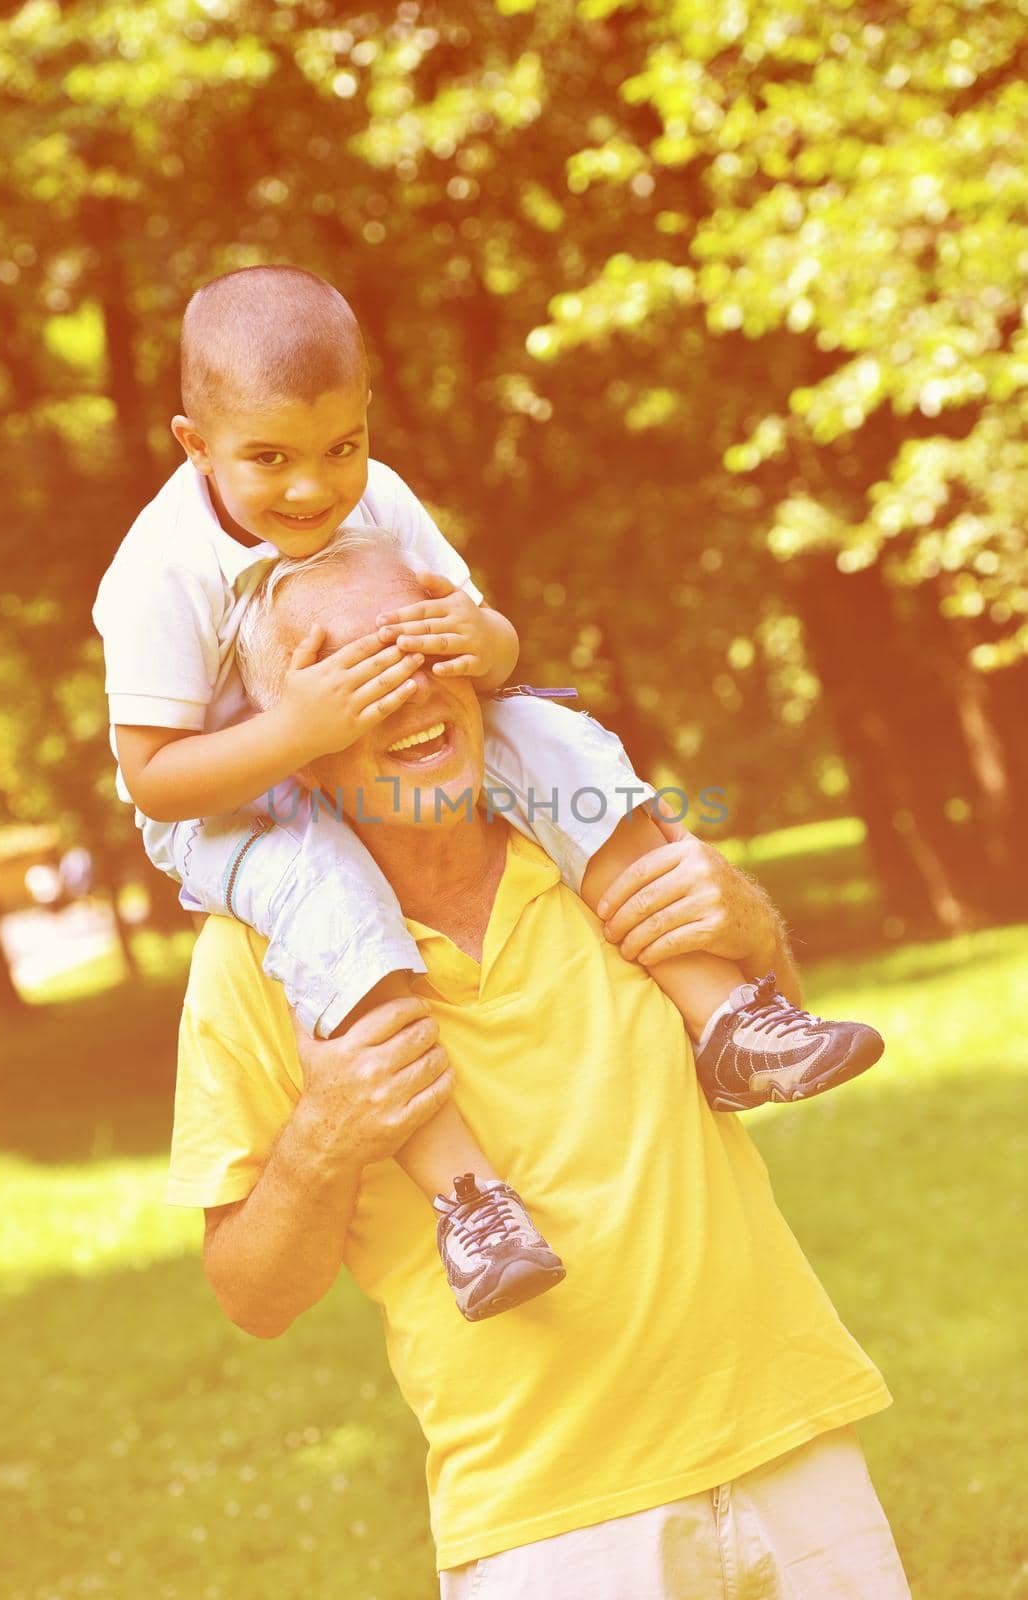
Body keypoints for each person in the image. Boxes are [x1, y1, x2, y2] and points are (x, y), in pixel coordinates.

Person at [94, 264, 883, 1321]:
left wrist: (484, 639)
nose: (313, 489)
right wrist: (298, 733)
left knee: (552, 731)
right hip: (224, 802)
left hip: (350, 734)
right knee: (325, 885)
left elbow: (495, 646)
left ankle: (729, 1018)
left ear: (366, 417)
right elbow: (152, 775)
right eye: (268, 459)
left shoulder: (379, 497)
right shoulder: (159, 571)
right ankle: (471, 1200)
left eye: (342, 447)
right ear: (196, 446)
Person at [166, 538, 912, 1598]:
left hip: (792, 1436)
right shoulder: (251, 962)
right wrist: (324, 1137)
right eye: (347, 669)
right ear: (287, 747)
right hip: (552, 1526)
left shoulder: (599, 839)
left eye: (421, 645)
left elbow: (761, 1046)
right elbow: (251, 1293)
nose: (406, 688)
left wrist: (752, 922)